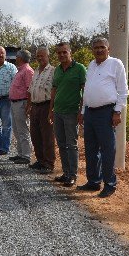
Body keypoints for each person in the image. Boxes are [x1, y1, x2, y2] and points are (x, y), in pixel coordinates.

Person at [77, 37, 129, 198]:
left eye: (102, 47)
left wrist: (117, 112)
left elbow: (123, 91)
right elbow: (87, 91)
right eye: (96, 48)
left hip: (106, 112)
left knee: (107, 150)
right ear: (92, 50)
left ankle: (110, 184)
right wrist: (83, 112)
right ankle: (93, 181)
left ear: (108, 49)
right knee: (91, 149)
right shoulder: (91, 65)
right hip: (90, 112)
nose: (99, 50)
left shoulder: (115, 64)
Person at [50, 42, 87, 187]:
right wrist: (50, 110)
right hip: (57, 112)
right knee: (61, 144)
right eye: (59, 53)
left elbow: (85, 91)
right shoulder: (57, 70)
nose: (62, 55)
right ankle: (65, 173)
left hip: (72, 112)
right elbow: (54, 90)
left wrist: (81, 111)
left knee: (71, 145)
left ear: (70, 52)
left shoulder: (80, 69)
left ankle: (73, 175)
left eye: (64, 52)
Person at [26, 46, 56, 174]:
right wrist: (29, 106)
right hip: (35, 106)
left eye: (42, 55)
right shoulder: (36, 71)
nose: (39, 58)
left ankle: (48, 163)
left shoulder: (53, 71)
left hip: (46, 106)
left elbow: (55, 91)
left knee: (47, 136)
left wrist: (51, 109)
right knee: (35, 135)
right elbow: (30, 90)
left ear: (48, 56)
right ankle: (40, 160)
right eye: (38, 56)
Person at [8, 49, 34, 164]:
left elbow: (30, 89)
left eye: (17, 56)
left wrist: (28, 105)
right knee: (17, 129)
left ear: (21, 58)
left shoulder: (27, 71)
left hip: (22, 103)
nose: (15, 58)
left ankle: (26, 155)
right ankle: (20, 153)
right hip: (15, 103)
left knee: (23, 130)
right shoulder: (20, 70)